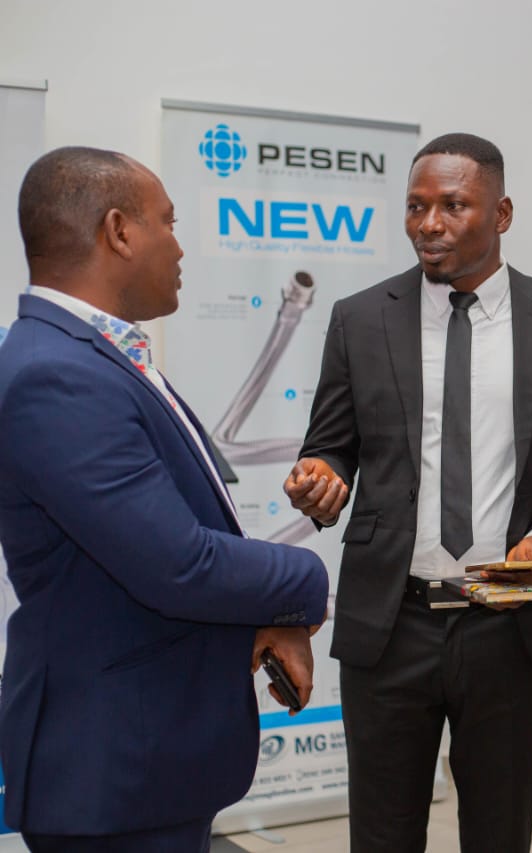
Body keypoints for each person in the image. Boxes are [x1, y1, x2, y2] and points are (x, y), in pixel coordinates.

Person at [283, 132, 532, 853]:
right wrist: (321, 475)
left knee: (499, 833)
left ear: (502, 213)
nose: (428, 224)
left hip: (507, 619)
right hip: (391, 621)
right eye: (416, 205)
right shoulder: (360, 317)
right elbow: (331, 445)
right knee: (383, 835)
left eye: (452, 205)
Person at [0, 147, 329, 852]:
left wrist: (265, 616)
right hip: (114, 771)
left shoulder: (93, 357)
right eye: (169, 223)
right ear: (119, 231)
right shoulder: (58, 375)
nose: (180, 247)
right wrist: (305, 583)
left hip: (145, 758)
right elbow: (177, 563)